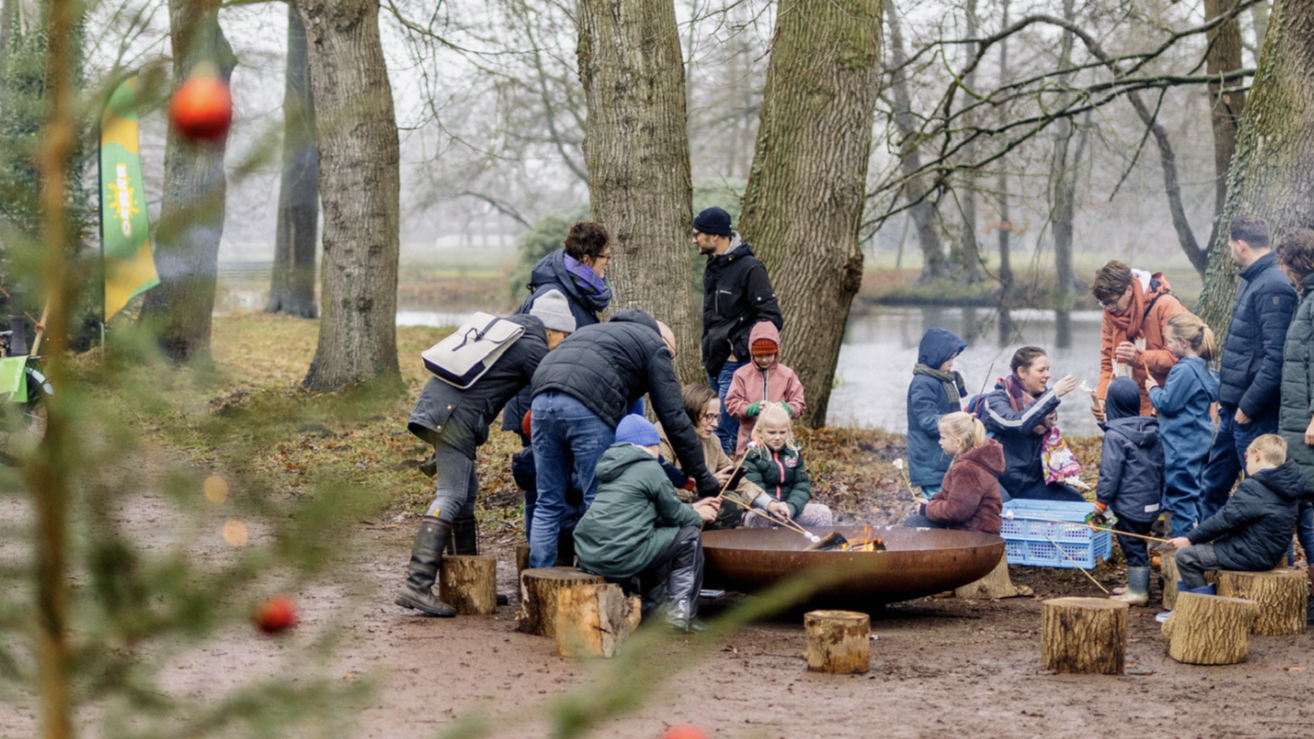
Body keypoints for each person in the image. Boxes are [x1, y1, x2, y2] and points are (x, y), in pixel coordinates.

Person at [396, 291, 575, 617]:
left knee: (466, 493)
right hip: (453, 418)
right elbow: (553, 388)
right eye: (565, 336)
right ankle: (417, 583)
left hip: (442, 410)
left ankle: (469, 581)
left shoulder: (510, 329)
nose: (563, 344)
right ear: (553, 329)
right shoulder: (533, 346)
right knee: (450, 495)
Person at [528, 309, 720, 569]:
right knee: (598, 496)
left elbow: (636, 444)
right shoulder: (653, 346)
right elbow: (674, 417)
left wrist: (682, 480)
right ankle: (594, 577)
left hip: (541, 398)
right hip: (586, 403)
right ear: (662, 341)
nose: (668, 362)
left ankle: (538, 580)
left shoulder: (597, 335)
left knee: (548, 500)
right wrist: (703, 478)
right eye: (670, 356)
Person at [574, 415, 721, 632]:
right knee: (689, 536)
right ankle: (681, 615)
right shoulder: (650, 468)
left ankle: (653, 612)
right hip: (622, 554)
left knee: (659, 536)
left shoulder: (612, 467)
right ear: (651, 444)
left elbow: (648, 514)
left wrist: (693, 507)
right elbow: (674, 515)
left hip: (590, 553)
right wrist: (699, 515)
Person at [1199, 215, 1298, 522]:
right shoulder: (1252, 280)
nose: (1230, 250)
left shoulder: (1274, 287)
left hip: (1253, 413)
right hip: (1233, 409)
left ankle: (1276, 563)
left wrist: (1249, 406)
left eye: (1230, 244)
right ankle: (1206, 555)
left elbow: (1277, 358)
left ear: (1240, 245)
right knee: (1212, 484)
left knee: (1262, 494)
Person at [502, 222, 615, 490]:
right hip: (538, 405)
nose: (609, 263)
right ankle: (554, 532)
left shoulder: (575, 289)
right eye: (606, 257)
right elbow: (541, 357)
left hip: (550, 402)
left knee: (553, 485)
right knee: (548, 487)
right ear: (586, 259)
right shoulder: (554, 295)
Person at [1160, 435, 1308, 622]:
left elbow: (1224, 520)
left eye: (1246, 459)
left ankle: (1204, 610)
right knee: (1206, 547)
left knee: (1186, 556)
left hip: (1248, 553)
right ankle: (1191, 605)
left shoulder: (1255, 487)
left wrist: (1189, 539)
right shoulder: (1291, 485)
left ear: (1257, 454)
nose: (1246, 465)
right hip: (1268, 553)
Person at [693, 206, 784, 454]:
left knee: (723, 432)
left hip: (735, 366)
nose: (694, 239)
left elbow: (771, 318)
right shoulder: (713, 266)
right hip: (714, 361)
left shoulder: (751, 268)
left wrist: (739, 350)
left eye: (697, 234)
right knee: (712, 430)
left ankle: (724, 488)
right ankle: (718, 484)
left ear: (714, 235)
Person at [1091, 377, 1164, 607]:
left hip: (1128, 506)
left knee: (1132, 546)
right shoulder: (1152, 428)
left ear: (1110, 403)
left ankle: (1138, 591)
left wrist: (1101, 503)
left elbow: (1110, 474)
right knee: (1139, 544)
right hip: (1152, 502)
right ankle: (1136, 584)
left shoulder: (1114, 436)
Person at [1145, 312, 1220, 538]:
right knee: (1195, 494)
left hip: (1181, 445)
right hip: (1200, 441)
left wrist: (1152, 389)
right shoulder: (1208, 366)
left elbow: (1168, 403)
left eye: (1169, 341)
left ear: (1183, 342)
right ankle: (1196, 540)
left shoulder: (1184, 369)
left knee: (1180, 497)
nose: (1167, 346)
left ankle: (1183, 553)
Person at [981, 346, 1083, 501]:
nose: (1048, 375)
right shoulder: (995, 400)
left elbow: (1050, 441)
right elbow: (1017, 423)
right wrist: (1052, 395)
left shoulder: (1042, 403)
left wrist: (1057, 468)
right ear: (1022, 372)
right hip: (999, 482)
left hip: (1032, 482)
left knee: (1076, 501)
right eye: (1041, 370)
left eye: (1048, 369)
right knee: (1007, 511)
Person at [656, 384, 762, 529]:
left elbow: (737, 479)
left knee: (732, 502)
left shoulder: (712, 441)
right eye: (709, 416)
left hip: (697, 503)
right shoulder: (661, 437)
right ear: (691, 412)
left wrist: (768, 503)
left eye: (717, 417)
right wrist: (704, 484)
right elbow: (662, 489)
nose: (715, 424)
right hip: (668, 509)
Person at [1089, 260, 1185, 419]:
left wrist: (1139, 358)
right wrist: (1102, 398)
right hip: (1132, 403)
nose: (1108, 308)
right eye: (1103, 303)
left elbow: (1178, 356)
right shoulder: (1110, 314)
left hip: (1168, 400)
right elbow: (1108, 362)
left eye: (1112, 302)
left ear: (1128, 290)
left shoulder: (1166, 304)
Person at [1274, 228, 1314, 598]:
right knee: (1303, 504)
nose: (1283, 270)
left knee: (1306, 506)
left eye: (1286, 263)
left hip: (1307, 425)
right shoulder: (1308, 297)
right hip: (1296, 420)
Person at [902, 412, 1004, 533]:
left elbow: (957, 511)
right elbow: (955, 498)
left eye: (943, 438)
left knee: (915, 522)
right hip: (972, 532)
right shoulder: (972, 464)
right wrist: (930, 503)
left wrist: (926, 509)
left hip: (975, 536)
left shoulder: (967, 469)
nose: (940, 442)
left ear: (958, 442)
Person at [739, 403, 833, 529]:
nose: (777, 437)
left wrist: (791, 507)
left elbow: (802, 485)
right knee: (755, 517)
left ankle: (817, 546)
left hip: (791, 511)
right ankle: (764, 548)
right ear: (760, 432)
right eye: (772, 433)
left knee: (823, 513)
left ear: (788, 432)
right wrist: (775, 506)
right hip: (766, 510)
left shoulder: (793, 452)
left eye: (782, 432)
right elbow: (755, 489)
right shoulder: (752, 455)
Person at [724, 321, 806, 457]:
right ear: (752, 352)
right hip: (749, 437)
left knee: (779, 471)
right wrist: (751, 408)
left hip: (779, 439)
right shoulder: (741, 374)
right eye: (759, 355)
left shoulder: (787, 374)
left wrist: (787, 408)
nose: (764, 360)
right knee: (748, 470)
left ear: (776, 352)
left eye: (768, 355)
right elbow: (731, 403)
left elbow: (799, 403)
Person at [905, 327, 967, 503]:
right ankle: (929, 527)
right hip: (929, 459)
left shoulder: (941, 380)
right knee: (935, 502)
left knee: (945, 499)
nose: (952, 364)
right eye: (949, 359)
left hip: (941, 458)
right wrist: (959, 422)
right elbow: (927, 421)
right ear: (935, 356)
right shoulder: (922, 383)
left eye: (953, 359)